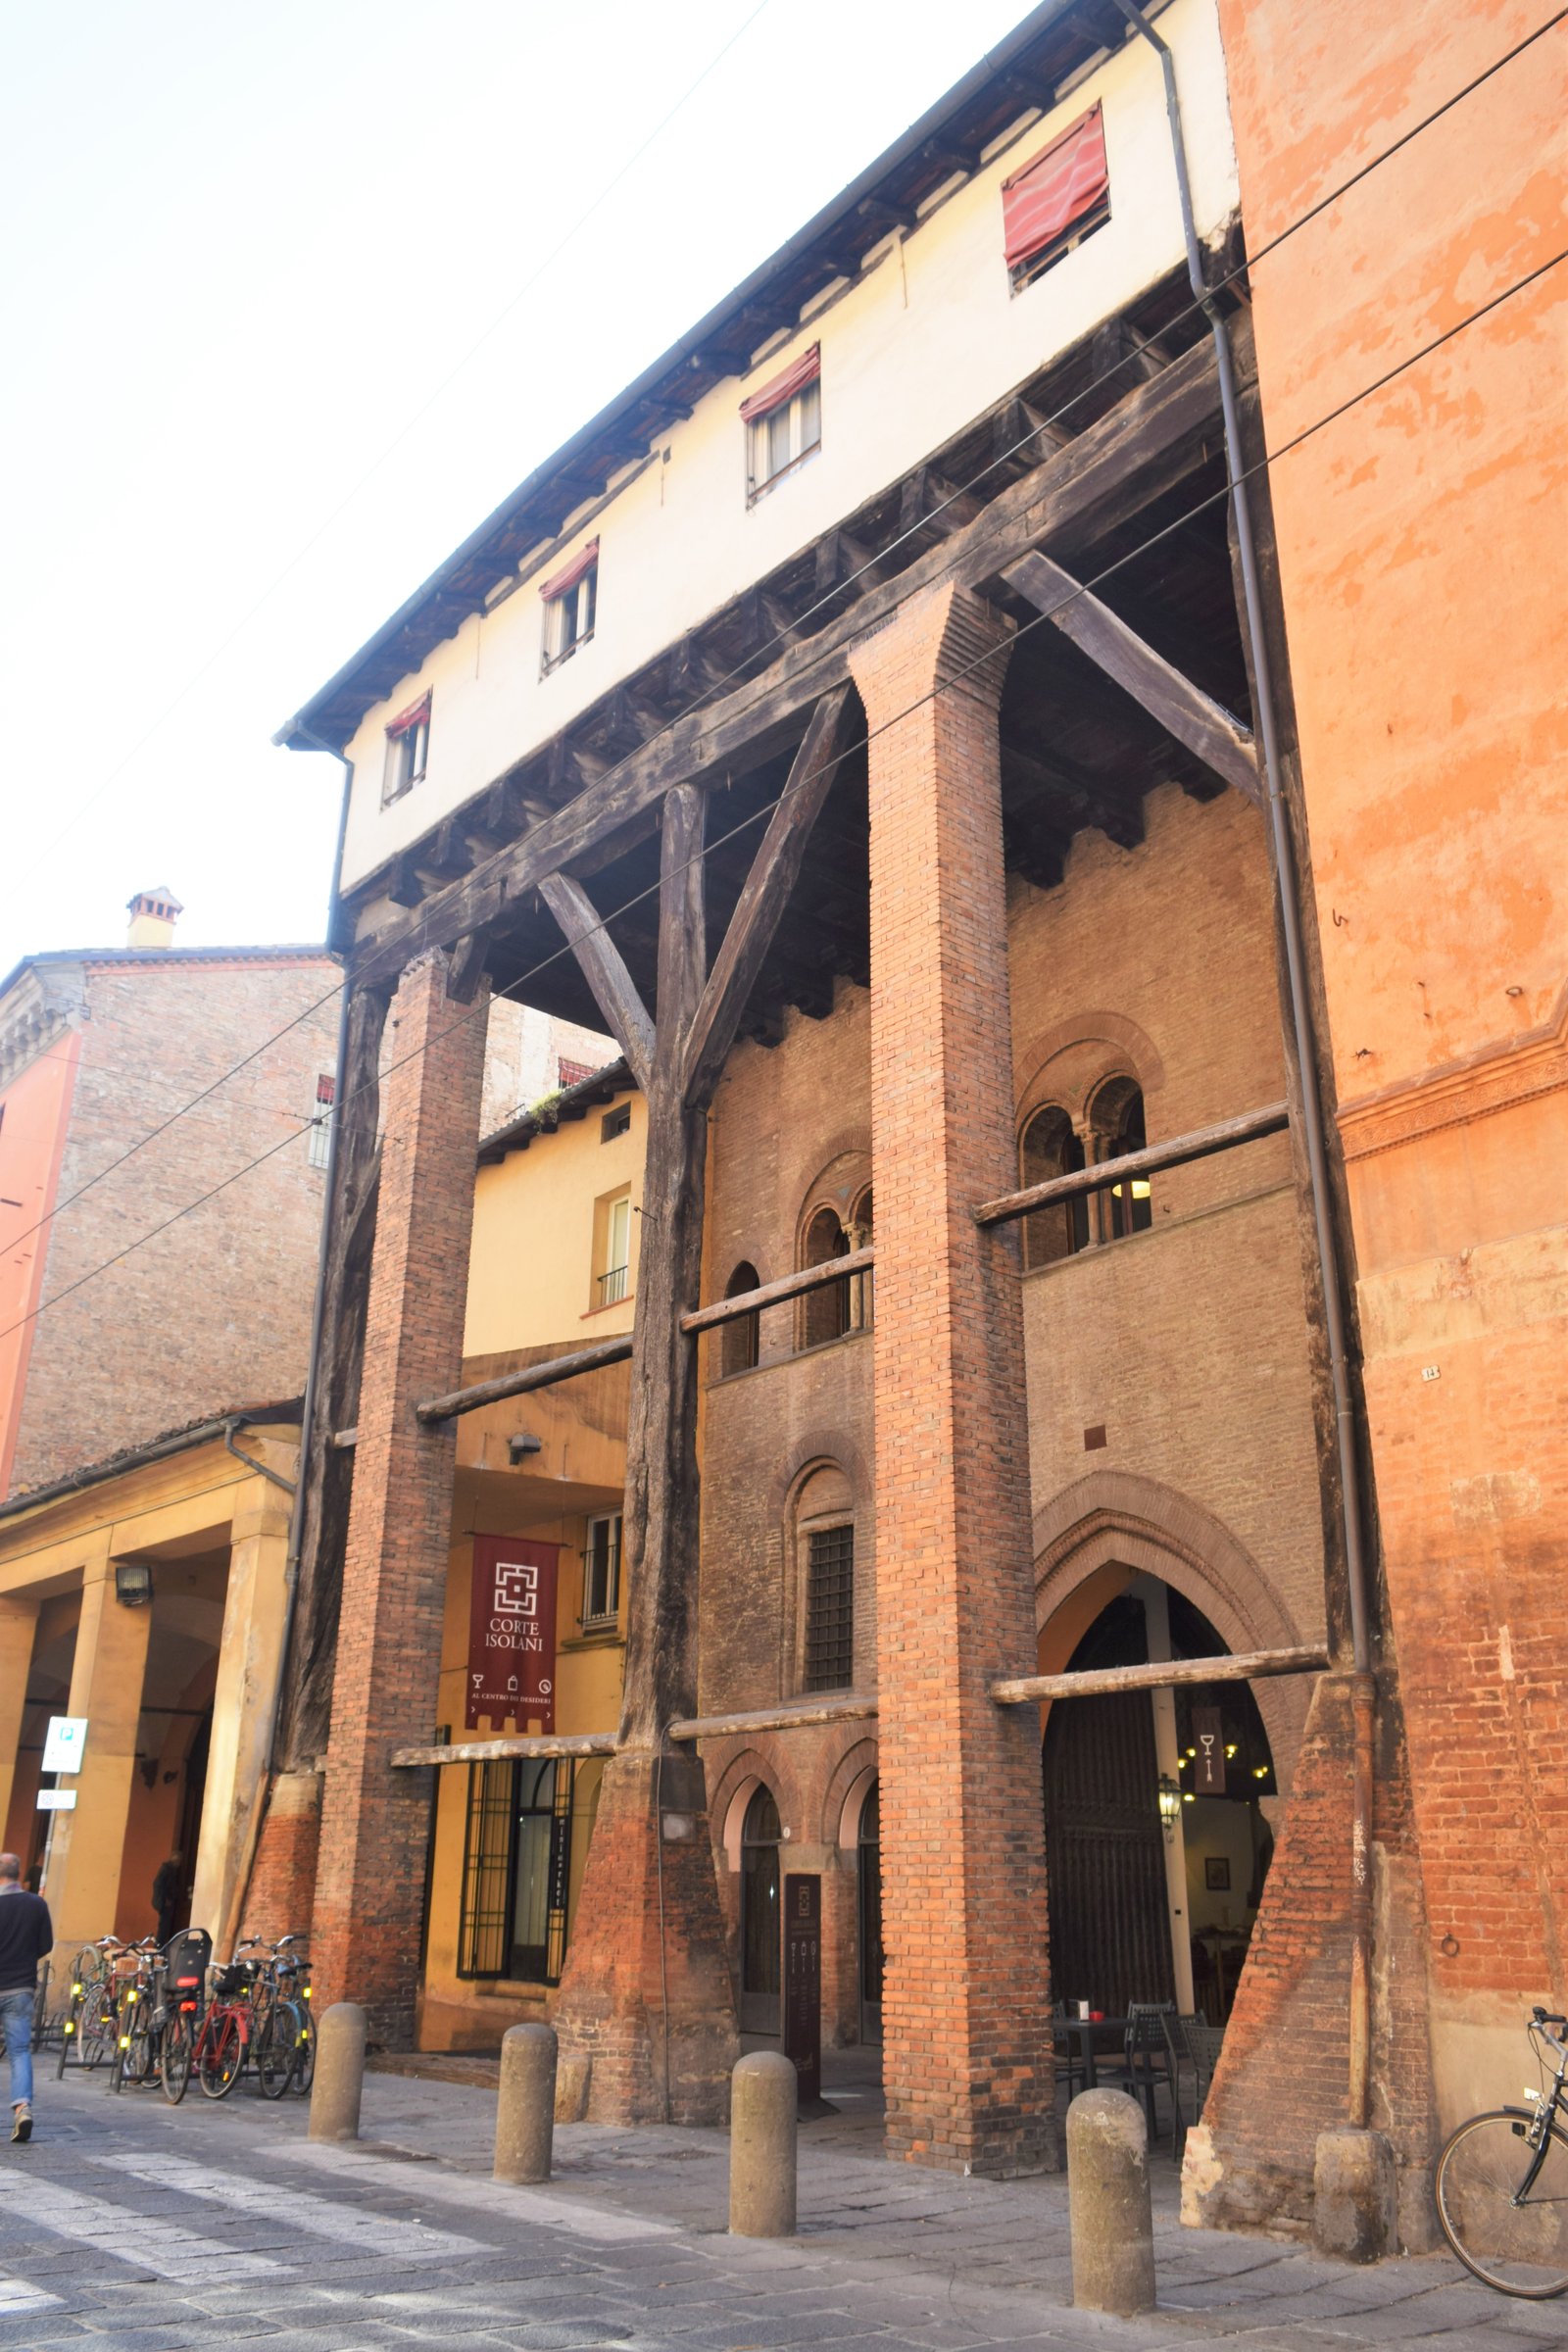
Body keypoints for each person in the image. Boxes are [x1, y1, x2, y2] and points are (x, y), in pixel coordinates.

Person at [0, 1851, 52, 2143]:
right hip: (20, 1987)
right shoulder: (36, 1904)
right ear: (20, 1874)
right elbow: (45, 1944)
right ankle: (22, 2108)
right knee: (19, 2051)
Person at [152, 1852, 182, 1945]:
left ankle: (162, 1946)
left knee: (165, 1927)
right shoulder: (166, 1870)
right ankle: (159, 1947)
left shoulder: (170, 1870)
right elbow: (159, 1884)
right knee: (163, 1927)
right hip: (165, 1903)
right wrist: (165, 1899)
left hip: (167, 1902)